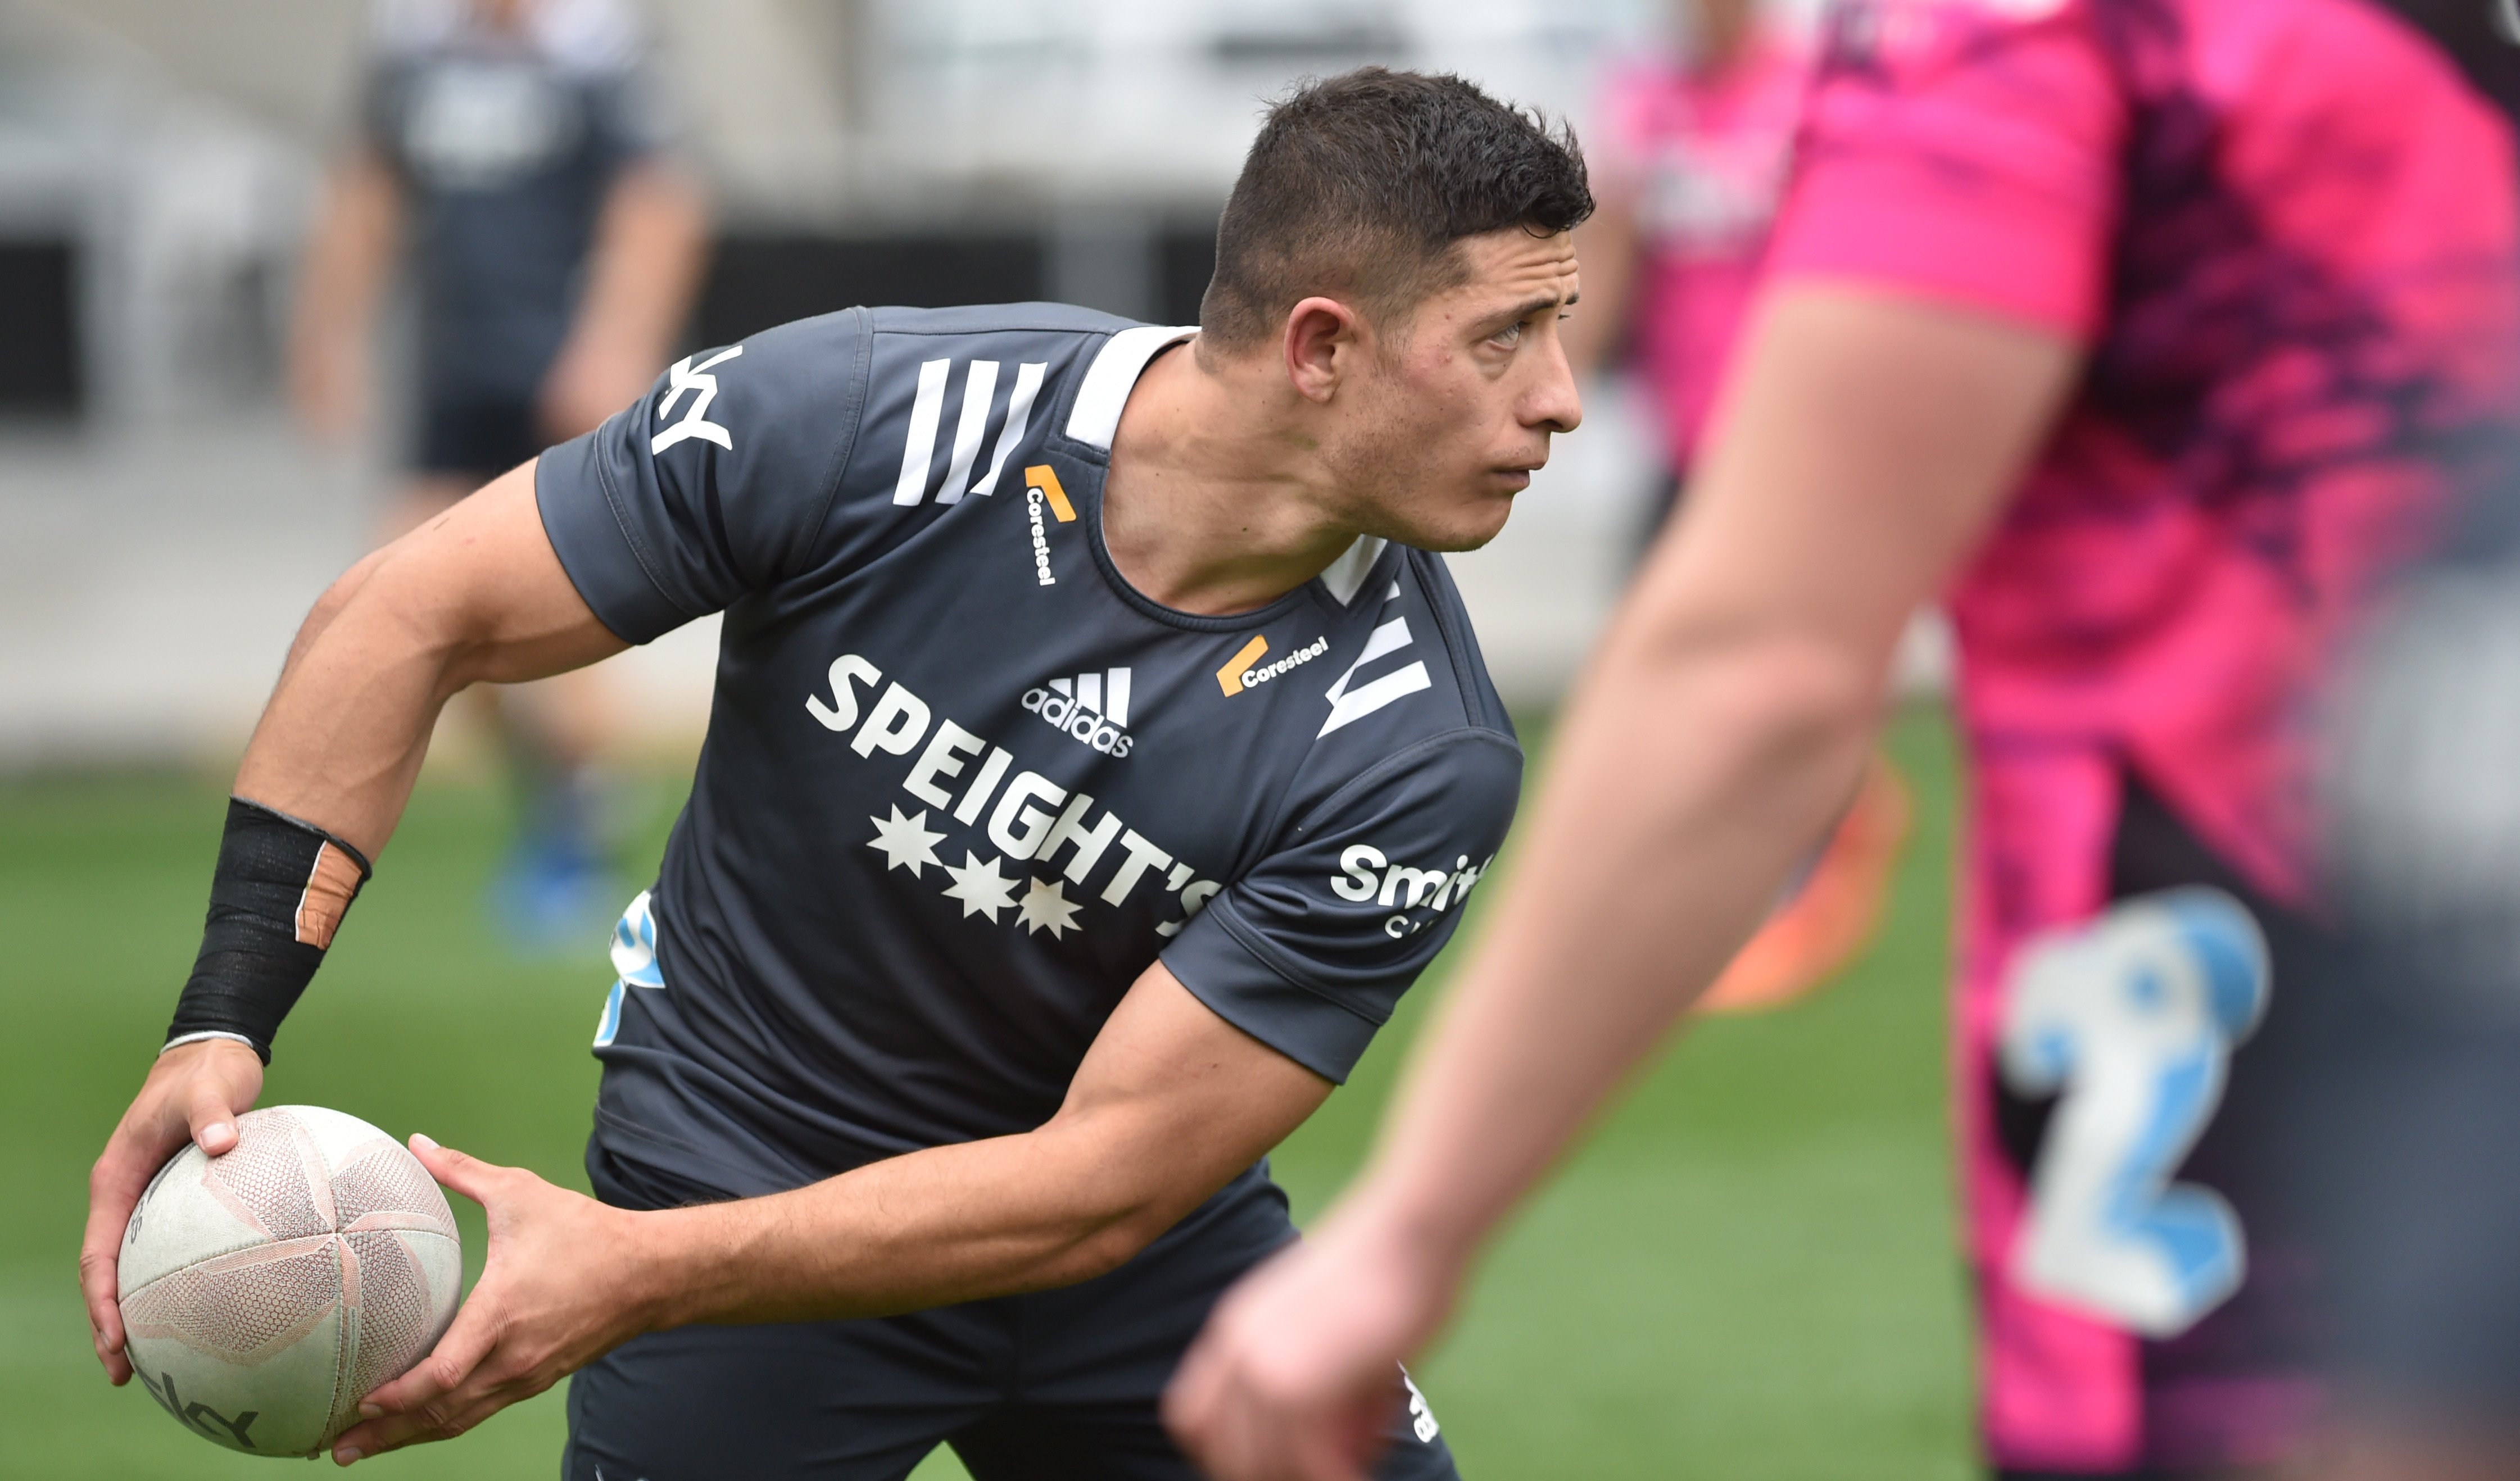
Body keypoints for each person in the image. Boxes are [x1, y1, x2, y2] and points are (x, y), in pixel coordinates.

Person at [81, 68, 1588, 1480]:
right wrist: (219, 1017)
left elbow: (1105, 1179)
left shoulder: (1414, 746)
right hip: (740, 1158)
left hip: (1130, 1260)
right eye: (1504, 337)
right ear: (1322, 346)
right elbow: (407, 613)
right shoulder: (867, 415)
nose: (1561, 398)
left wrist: (636, 1273)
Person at [1167, 3, 2520, 1478]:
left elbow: (1759, 671)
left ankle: (1798, 885)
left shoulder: (2028, 41)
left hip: (2243, 1171)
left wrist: (1407, 1230)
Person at [289, 0, 709, 946]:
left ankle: (580, 828)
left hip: (562, 389)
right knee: (403, 600)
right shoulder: (414, 51)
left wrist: (613, 344)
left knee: (554, 618)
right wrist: (328, 334)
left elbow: (660, 208)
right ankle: (569, 806)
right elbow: (368, 192)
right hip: (455, 379)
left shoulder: (601, 54)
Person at [1574, 0, 1907, 1014]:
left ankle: (1811, 862)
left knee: (1792, 673)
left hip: (1794, 444)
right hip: (1686, 444)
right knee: (1650, 660)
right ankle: (1704, 872)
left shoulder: (1812, 88)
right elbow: (1608, 265)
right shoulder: (1648, 102)